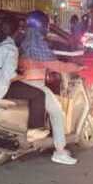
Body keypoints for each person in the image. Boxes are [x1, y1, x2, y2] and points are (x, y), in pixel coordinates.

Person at [20, 10, 83, 165]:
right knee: (57, 113)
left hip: (22, 83)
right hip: (35, 85)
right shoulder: (37, 44)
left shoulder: (23, 38)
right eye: (46, 25)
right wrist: (76, 67)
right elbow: (55, 65)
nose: (47, 28)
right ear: (41, 25)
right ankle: (60, 152)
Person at [0, 16, 48, 140]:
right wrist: (23, 76)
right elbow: (10, 77)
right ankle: (34, 130)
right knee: (39, 94)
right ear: (16, 31)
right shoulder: (11, 48)